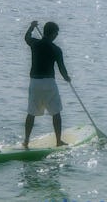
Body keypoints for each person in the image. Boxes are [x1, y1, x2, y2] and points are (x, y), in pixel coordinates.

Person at [23, 21, 71, 149]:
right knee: (56, 113)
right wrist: (67, 78)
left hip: (35, 83)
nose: (57, 35)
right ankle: (58, 141)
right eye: (56, 33)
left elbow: (26, 37)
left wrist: (31, 27)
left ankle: (26, 141)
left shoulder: (35, 44)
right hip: (49, 83)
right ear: (54, 34)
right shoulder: (56, 49)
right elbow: (62, 68)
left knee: (31, 113)